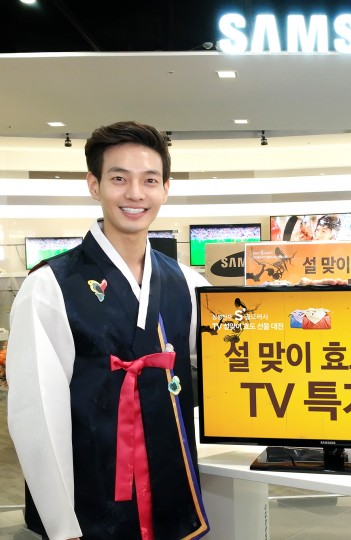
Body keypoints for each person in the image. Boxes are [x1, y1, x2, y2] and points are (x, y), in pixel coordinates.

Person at [6, 121, 210, 540]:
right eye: (119, 178)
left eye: (149, 180)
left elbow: (232, 354)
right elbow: (36, 414)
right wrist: (62, 524)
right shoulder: (50, 285)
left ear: (165, 189)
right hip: (90, 496)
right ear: (94, 185)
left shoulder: (187, 283)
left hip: (169, 492)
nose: (135, 194)